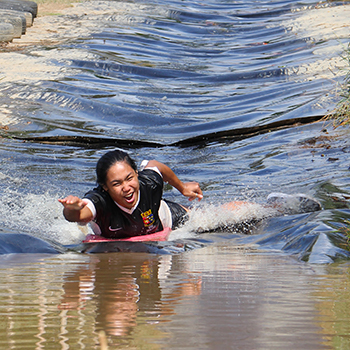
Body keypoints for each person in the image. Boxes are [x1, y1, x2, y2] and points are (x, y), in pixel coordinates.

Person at [59, 149, 203, 239]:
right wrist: (71, 208)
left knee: (211, 221)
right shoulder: (100, 201)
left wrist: (182, 187)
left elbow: (155, 165)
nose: (126, 188)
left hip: (166, 215)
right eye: (117, 184)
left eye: (129, 178)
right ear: (105, 187)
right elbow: (76, 216)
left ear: (136, 173)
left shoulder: (148, 183)